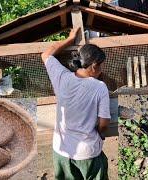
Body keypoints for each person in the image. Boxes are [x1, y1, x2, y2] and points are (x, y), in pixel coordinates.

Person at [41, 28, 111, 180]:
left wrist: (69, 39)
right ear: (93, 66)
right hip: (87, 153)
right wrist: (101, 135)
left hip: (61, 152)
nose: (101, 69)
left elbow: (46, 54)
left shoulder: (62, 77)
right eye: (101, 65)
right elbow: (104, 123)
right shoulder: (99, 87)